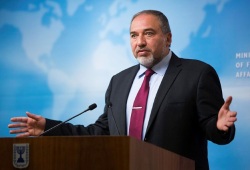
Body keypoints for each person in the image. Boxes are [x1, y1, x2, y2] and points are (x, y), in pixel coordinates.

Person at [8, 10, 237, 170]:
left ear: (168, 39)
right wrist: (49, 127)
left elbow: (213, 128)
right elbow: (100, 133)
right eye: (133, 35)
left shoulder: (197, 74)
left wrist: (219, 127)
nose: (140, 42)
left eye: (148, 33)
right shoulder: (119, 81)